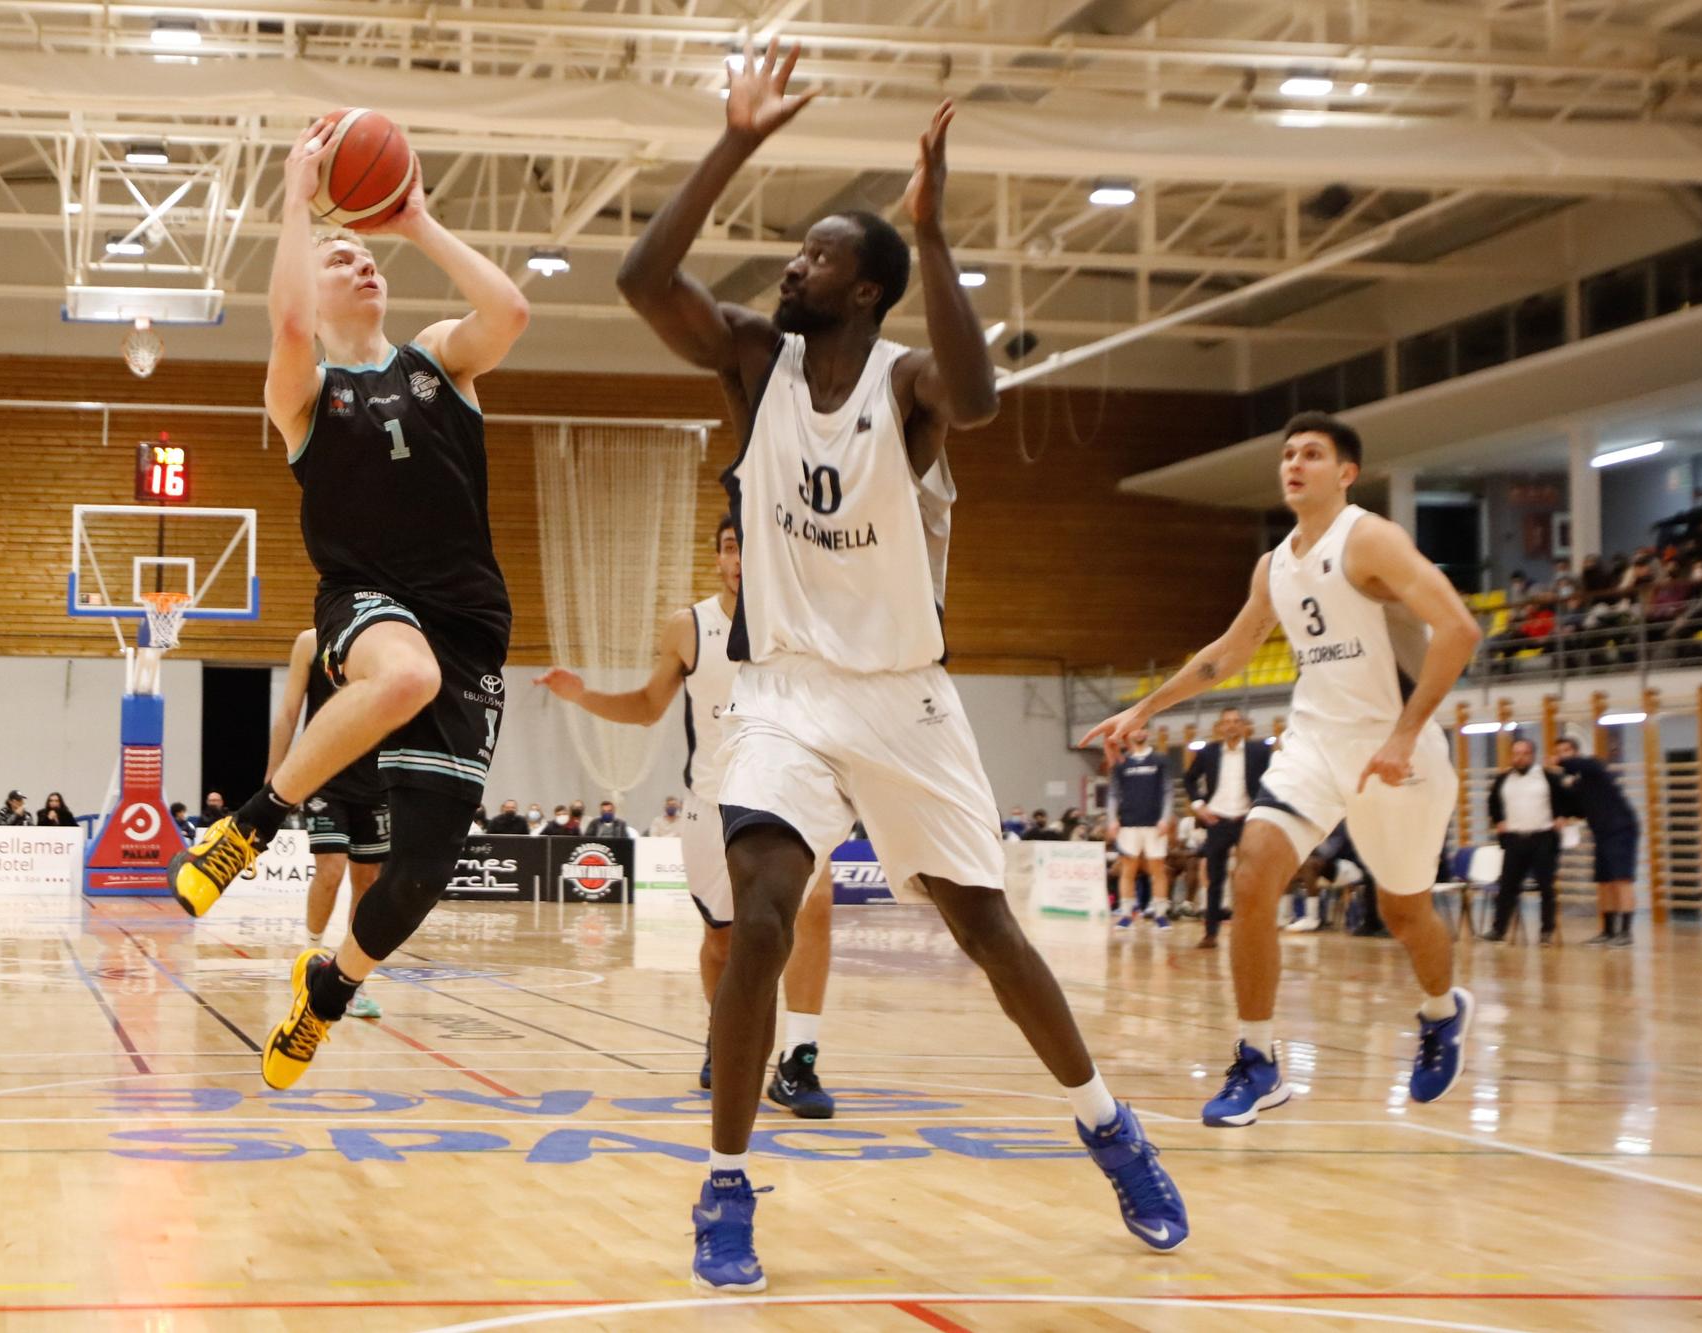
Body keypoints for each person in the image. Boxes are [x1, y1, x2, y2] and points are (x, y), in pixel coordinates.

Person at [620, 50, 1187, 1290]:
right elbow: (639, 276)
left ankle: (1108, 1126)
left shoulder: (906, 382)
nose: (791, 266)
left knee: (987, 930)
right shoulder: (753, 364)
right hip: (780, 695)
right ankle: (723, 1187)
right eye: (796, 254)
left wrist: (933, 235)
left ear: (867, 285)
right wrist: (732, 143)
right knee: (762, 915)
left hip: (903, 697)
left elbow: (978, 397)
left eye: (818, 257)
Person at [167, 110, 529, 1095]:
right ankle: (250, 821)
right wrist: (294, 197)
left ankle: (325, 990)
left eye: (365, 253)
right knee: (401, 670)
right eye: (337, 256)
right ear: (313, 292)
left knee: (417, 874)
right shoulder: (305, 389)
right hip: (366, 598)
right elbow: (284, 322)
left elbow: (509, 316)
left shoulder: (436, 359)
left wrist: (413, 219)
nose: (357, 262)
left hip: (471, 623)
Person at [1087, 409, 1482, 1130]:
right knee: (1252, 868)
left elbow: (1460, 628)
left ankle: (1441, 1010)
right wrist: (1144, 708)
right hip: (1313, 743)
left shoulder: (1370, 538)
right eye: (1288, 454)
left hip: (1396, 751)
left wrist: (1404, 732)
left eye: (1312, 453)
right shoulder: (1276, 563)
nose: (1294, 463)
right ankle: (1259, 1059)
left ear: (1346, 472)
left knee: (1404, 910)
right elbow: (1228, 652)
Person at [536, 513, 840, 1116]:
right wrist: (583, 695)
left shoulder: (806, 620)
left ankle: (799, 1061)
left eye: (750, 548)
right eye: (730, 547)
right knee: (723, 942)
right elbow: (650, 707)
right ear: (719, 556)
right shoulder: (690, 628)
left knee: (817, 912)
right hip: (714, 802)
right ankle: (719, 1031)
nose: (739, 559)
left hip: (794, 794)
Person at [270, 626, 391, 1020]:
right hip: (325, 775)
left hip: (375, 781)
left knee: (368, 881)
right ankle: (310, 958)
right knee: (330, 870)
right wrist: (274, 774)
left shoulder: (387, 638)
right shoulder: (308, 641)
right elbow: (289, 711)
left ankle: (350, 980)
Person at [1183, 708, 1270, 951]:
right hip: (1217, 820)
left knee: (1252, 878)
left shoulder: (1259, 751)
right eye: (1226, 722)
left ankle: (1252, 932)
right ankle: (1210, 933)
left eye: (1236, 721)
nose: (1231, 726)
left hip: (1247, 820)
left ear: (1244, 726)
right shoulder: (1209, 752)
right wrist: (1199, 806)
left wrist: (1261, 807)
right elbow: (1189, 779)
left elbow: (1273, 779)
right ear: (1219, 727)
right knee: (1215, 879)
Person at [1552, 736, 1640, 947]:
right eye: (1559, 751)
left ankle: (1625, 933)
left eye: (1566, 751)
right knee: (1604, 882)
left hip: (1620, 829)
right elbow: (1576, 808)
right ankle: (1608, 931)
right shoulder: (1578, 783)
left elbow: (1578, 765)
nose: (1562, 755)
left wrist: (1558, 763)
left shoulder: (1592, 766)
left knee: (1621, 880)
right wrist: (1563, 815)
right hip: (1601, 833)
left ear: (1575, 752)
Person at [1484, 738, 1566, 944]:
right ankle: (1498, 929)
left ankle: (1546, 930)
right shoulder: (1503, 779)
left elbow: (1565, 797)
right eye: (1516, 753)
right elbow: (1493, 802)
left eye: (1524, 753)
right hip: (1514, 839)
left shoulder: (1546, 777)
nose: (1519, 758)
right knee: (1507, 886)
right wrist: (1499, 821)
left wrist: (1561, 816)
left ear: (1532, 755)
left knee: (1546, 886)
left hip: (1542, 837)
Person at [1108, 739, 1173, 930]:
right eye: (1135, 729)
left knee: (1158, 870)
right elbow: (1113, 793)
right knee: (1128, 871)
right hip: (1128, 824)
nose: (1138, 731)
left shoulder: (1160, 760)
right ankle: (1127, 914)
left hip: (1154, 823)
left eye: (1142, 727)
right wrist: (1112, 819)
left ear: (1147, 731)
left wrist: (1165, 818)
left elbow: (1168, 791)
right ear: (1128, 735)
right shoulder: (1121, 763)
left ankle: (1160, 915)